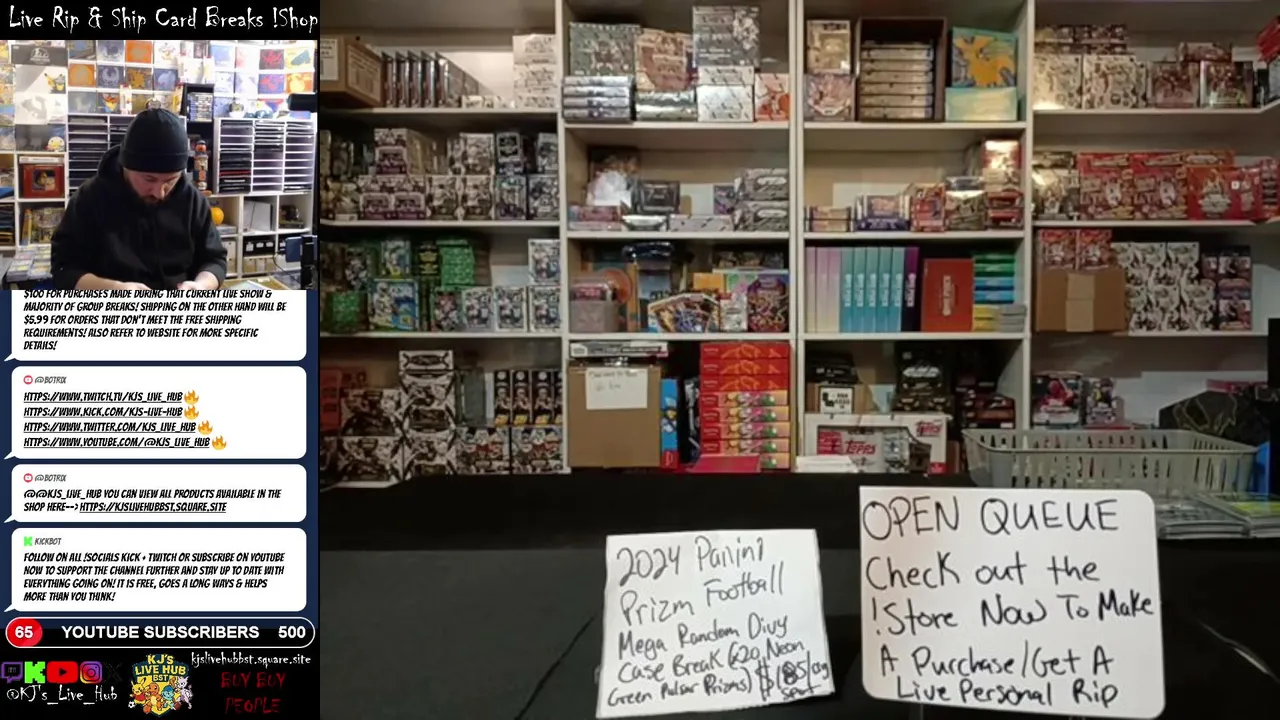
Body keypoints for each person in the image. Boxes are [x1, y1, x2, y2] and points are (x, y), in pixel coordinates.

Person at [51, 108, 227, 291]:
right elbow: (64, 269)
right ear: (125, 166)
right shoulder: (88, 198)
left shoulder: (193, 200)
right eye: (149, 179)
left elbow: (214, 259)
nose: (159, 193)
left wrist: (201, 285)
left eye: (170, 181)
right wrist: (113, 289)